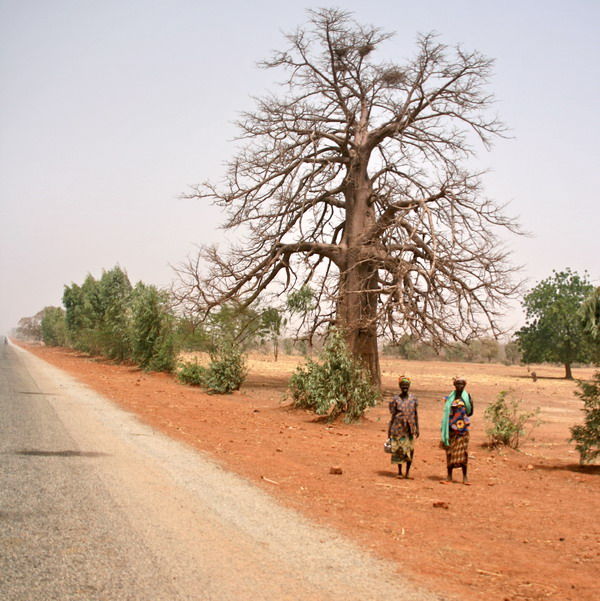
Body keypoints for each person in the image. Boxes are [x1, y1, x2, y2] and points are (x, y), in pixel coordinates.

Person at [440, 377, 474, 484]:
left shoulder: (467, 397)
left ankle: (465, 477)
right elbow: (446, 413)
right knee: (449, 452)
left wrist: (469, 405)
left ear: (464, 385)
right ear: (454, 385)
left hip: (463, 429)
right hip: (451, 429)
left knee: (463, 453)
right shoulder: (449, 398)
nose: (459, 386)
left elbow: (470, 412)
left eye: (461, 384)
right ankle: (449, 476)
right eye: (457, 384)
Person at [388, 376, 419, 479]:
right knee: (399, 450)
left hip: (409, 429)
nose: (404, 387)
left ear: (409, 386)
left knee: (410, 450)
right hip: (398, 428)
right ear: (399, 386)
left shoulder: (413, 399)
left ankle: (408, 472)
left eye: (406, 385)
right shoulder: (395, 399)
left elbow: (415, 414)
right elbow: (393, 415)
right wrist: (389, 430)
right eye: (402, 385)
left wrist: (417, 428)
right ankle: (400, 472)